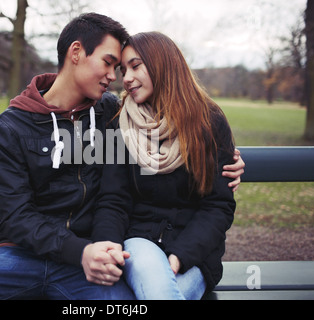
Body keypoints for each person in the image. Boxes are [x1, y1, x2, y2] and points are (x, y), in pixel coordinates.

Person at [0, 14, 243, 300]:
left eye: (119, 67)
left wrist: (227, 159)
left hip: (91, 263)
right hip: (21, 257)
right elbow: (16, 217)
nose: (115, 77)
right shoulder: (9, 128)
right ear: (77, 52)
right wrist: (81, 251)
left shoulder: (112, 114)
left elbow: (163, 135)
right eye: (109, 63)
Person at [92, 32, 237, 300]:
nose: (126, 78)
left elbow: (218, 206)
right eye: (124, 70)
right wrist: (109, 245)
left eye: (136, 66)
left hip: (194, 254)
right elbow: (113, 199)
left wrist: (178, 258)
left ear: (162, 65)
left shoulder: (210, 122)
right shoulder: (121, 124)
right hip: (140, 244)